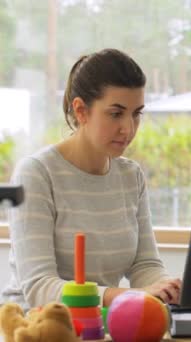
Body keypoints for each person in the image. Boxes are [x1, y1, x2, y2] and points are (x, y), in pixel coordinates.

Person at [1, 48, 181, 309]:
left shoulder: (131, 176)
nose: (128, 128)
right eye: (116, 113)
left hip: (99, 327)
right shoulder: (37, 173)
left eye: (136, 113)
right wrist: (128, 296)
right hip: (37, 326)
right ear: (81, 110)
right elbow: (39, 287)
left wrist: (166, 289)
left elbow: (145, 265)